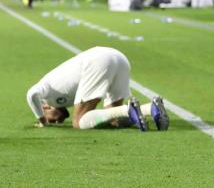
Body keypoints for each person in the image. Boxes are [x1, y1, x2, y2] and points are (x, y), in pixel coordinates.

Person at [26, 47, 169, 131]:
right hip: (119, 57)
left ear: (45, 107)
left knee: (79, 122)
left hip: (98, 60)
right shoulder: (60, 98)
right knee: (114, 120)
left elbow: (31, 94)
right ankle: (151, 108)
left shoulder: (45, 92)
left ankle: (129, 110)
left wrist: (42, 120)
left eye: (53, 120)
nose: (56, 121)